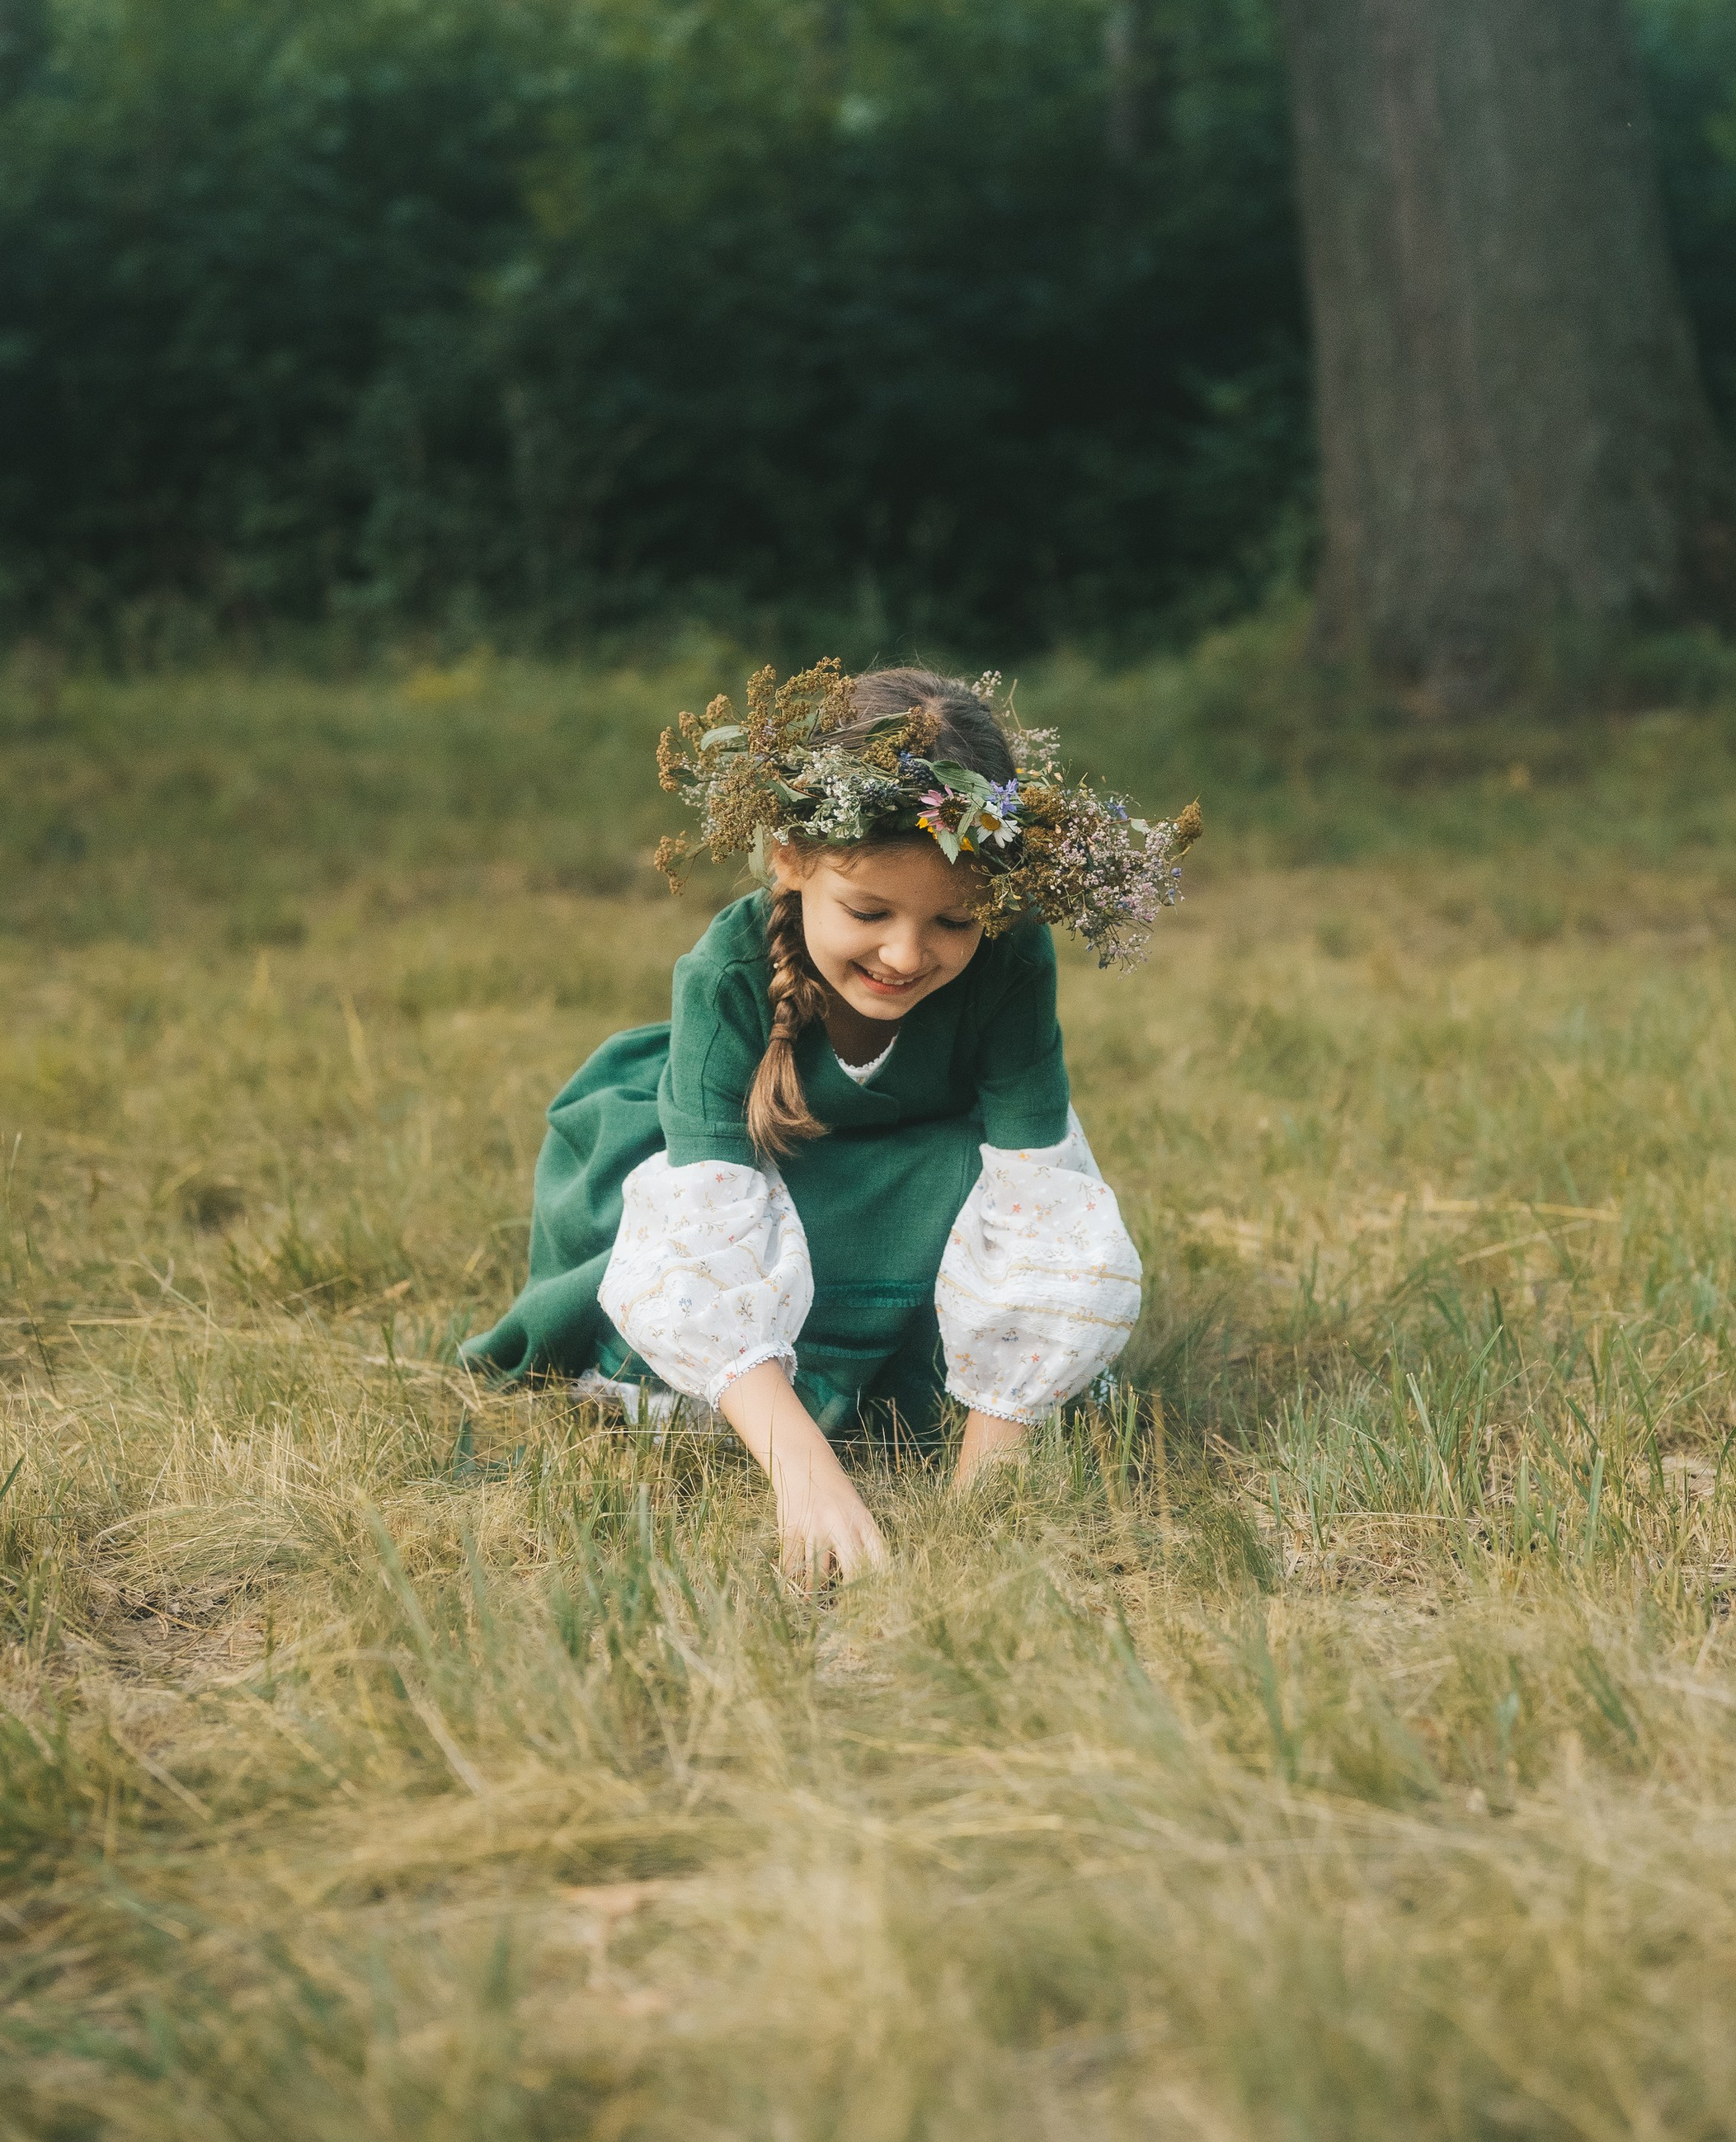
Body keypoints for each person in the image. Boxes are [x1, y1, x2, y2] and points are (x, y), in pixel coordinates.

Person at [459, 661, 1199, 1579]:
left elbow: (1034, 1188)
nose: (905, 952)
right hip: (745, 1161)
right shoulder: (726, 973)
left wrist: (984, 1485)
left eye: (953, 923)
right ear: (792, 861)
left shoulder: (1012, 964)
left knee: (977, 1189)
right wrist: (802, 1470)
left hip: (908, 1177)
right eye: (867, 910)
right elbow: (705, 1209)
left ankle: (920, 1375)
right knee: (690, 1272)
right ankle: (784, 1404)